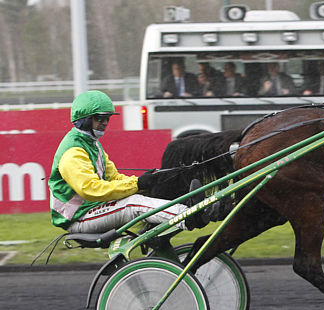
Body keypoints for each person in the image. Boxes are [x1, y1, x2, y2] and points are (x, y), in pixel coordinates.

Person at [48, 90, 218, 235]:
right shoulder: (73, 152)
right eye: (100, 118)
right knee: (132, 203)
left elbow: (113, 178)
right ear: (84, 119)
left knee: (143, 196)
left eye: (107, 118)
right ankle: (188, 216)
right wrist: (136, 184)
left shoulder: (92, 144)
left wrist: (144, 183)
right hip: (78, 218)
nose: (105, 123)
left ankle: (196, 208)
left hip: (92, 210)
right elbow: (91, 190)